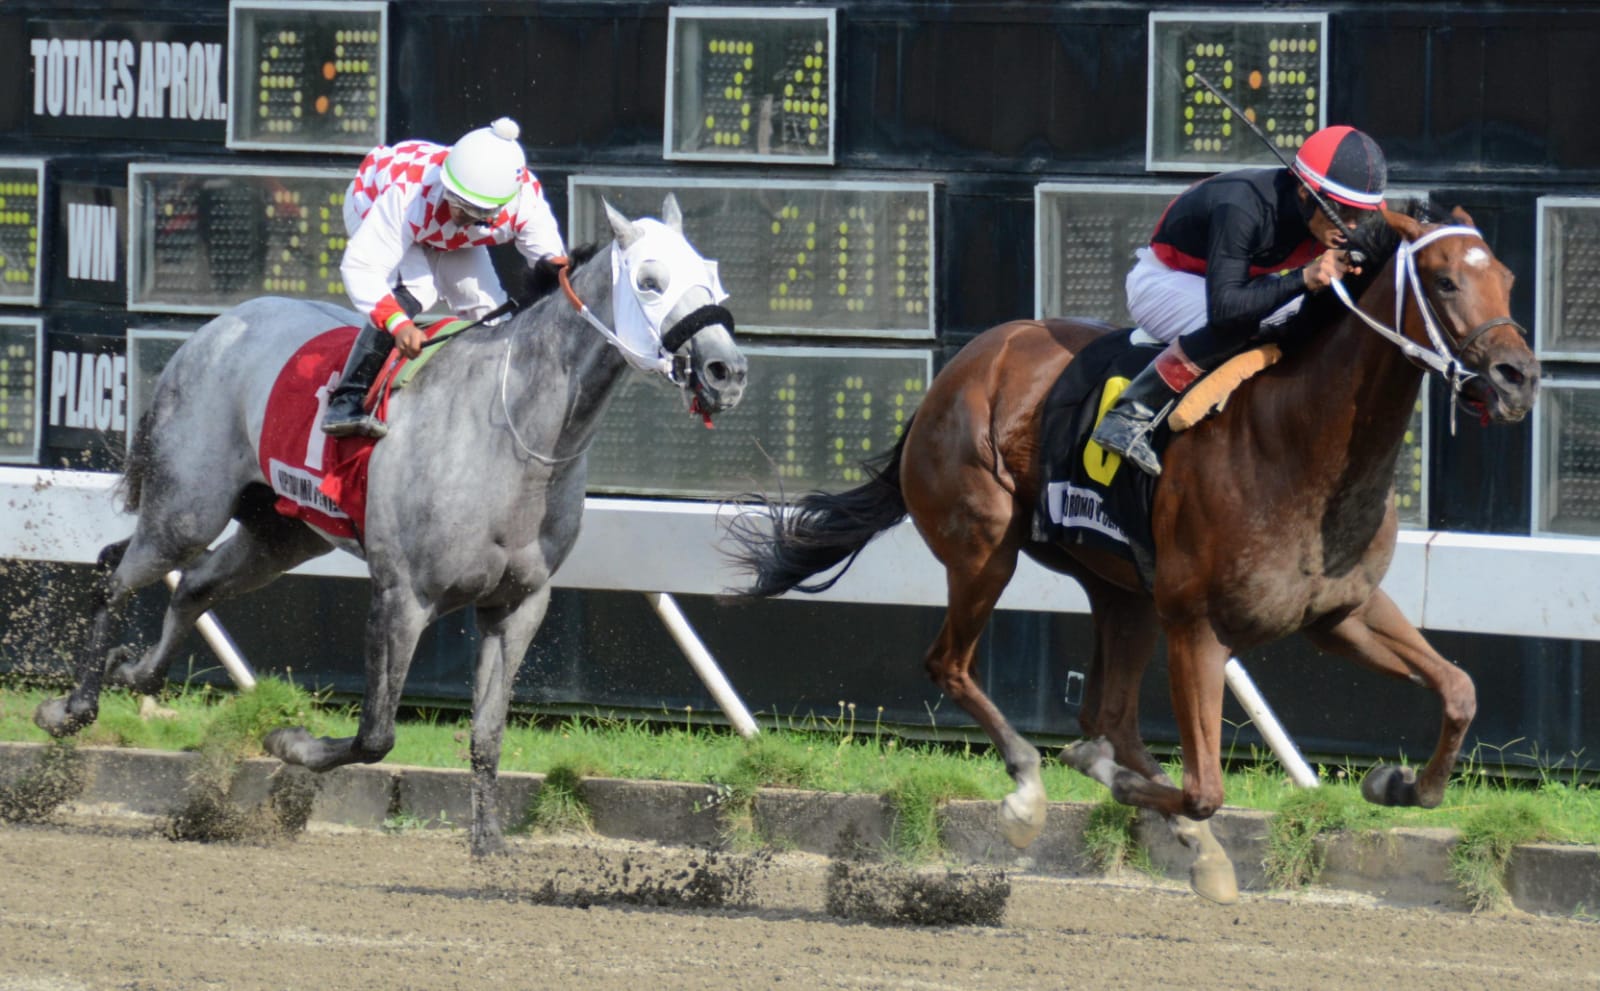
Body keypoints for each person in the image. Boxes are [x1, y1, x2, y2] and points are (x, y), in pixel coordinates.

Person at [1091, 124, 1387, 476]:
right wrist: (1304, 277)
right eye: (1340, 210)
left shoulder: (1326, 218)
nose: (1350, 226)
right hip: (1163, 281)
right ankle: (1130, 413)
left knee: (1309, 319)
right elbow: (1226, 311)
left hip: (1232, 282)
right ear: (1305, 192)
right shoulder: (1242, 207)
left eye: (1361, 215)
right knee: (1250, 321)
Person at [323, 117, 568, 438]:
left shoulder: (527, 204)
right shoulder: (409, 193)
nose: (457, 214)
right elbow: (361, 266)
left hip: (446, 236)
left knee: (491, 313)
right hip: (370, 199)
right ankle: (347, 398)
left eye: (473, 211)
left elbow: (555, 271)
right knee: (418, 289)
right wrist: (399, 324)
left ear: (502, 205)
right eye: (454, 199)